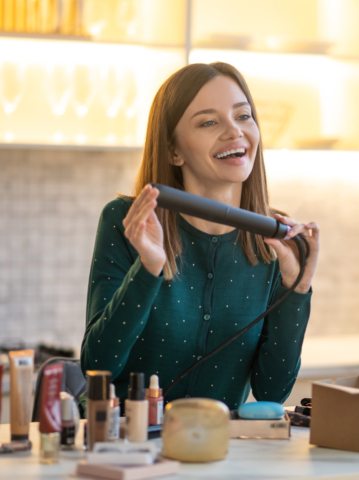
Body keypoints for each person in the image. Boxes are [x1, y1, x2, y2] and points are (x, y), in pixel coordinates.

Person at [80, 62, 320, 414]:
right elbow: (98, 366)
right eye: (209, 122)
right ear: (173, 151)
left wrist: (296, 289)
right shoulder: (127, 221)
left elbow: (272, 391)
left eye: (243, 116)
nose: (234, 132)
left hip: (212, 448)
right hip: (123, 443)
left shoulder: (273, 242)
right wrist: (149, 269)